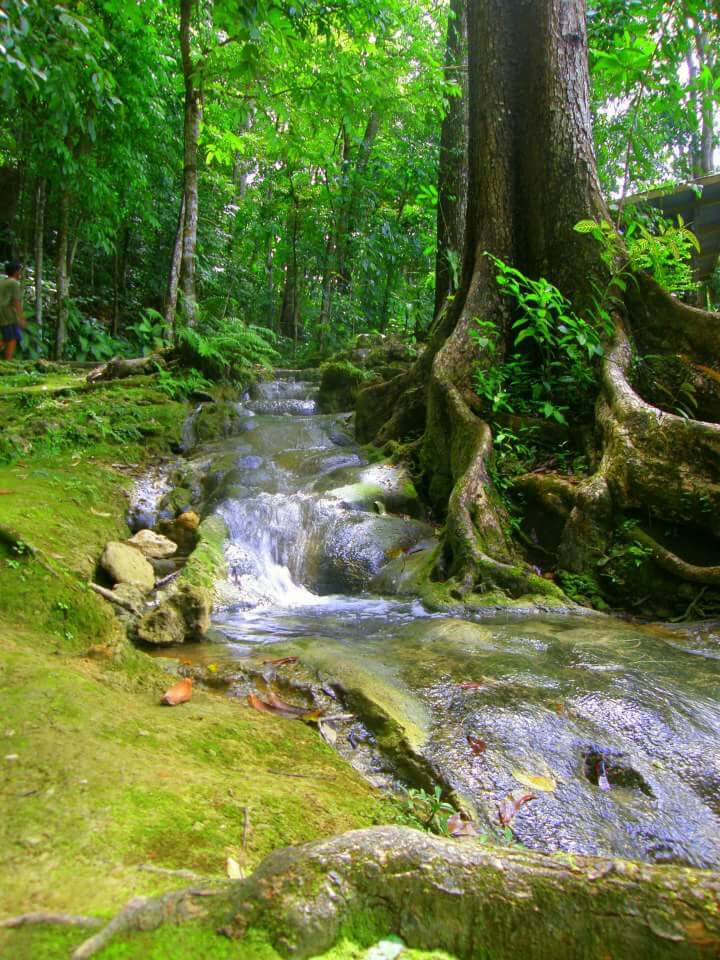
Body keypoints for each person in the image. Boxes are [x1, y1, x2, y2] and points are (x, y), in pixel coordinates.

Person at [0, 261, 27, 360]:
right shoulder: (14, 283)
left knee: (10, 337)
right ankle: (8, 361)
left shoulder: (3, 281)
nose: (21, 274)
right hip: (6, 312)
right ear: (16, 272)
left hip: (2, 311)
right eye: (20, 271)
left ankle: (8, 361)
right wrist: (21, 318)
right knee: (11, 338)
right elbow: (16, 302)